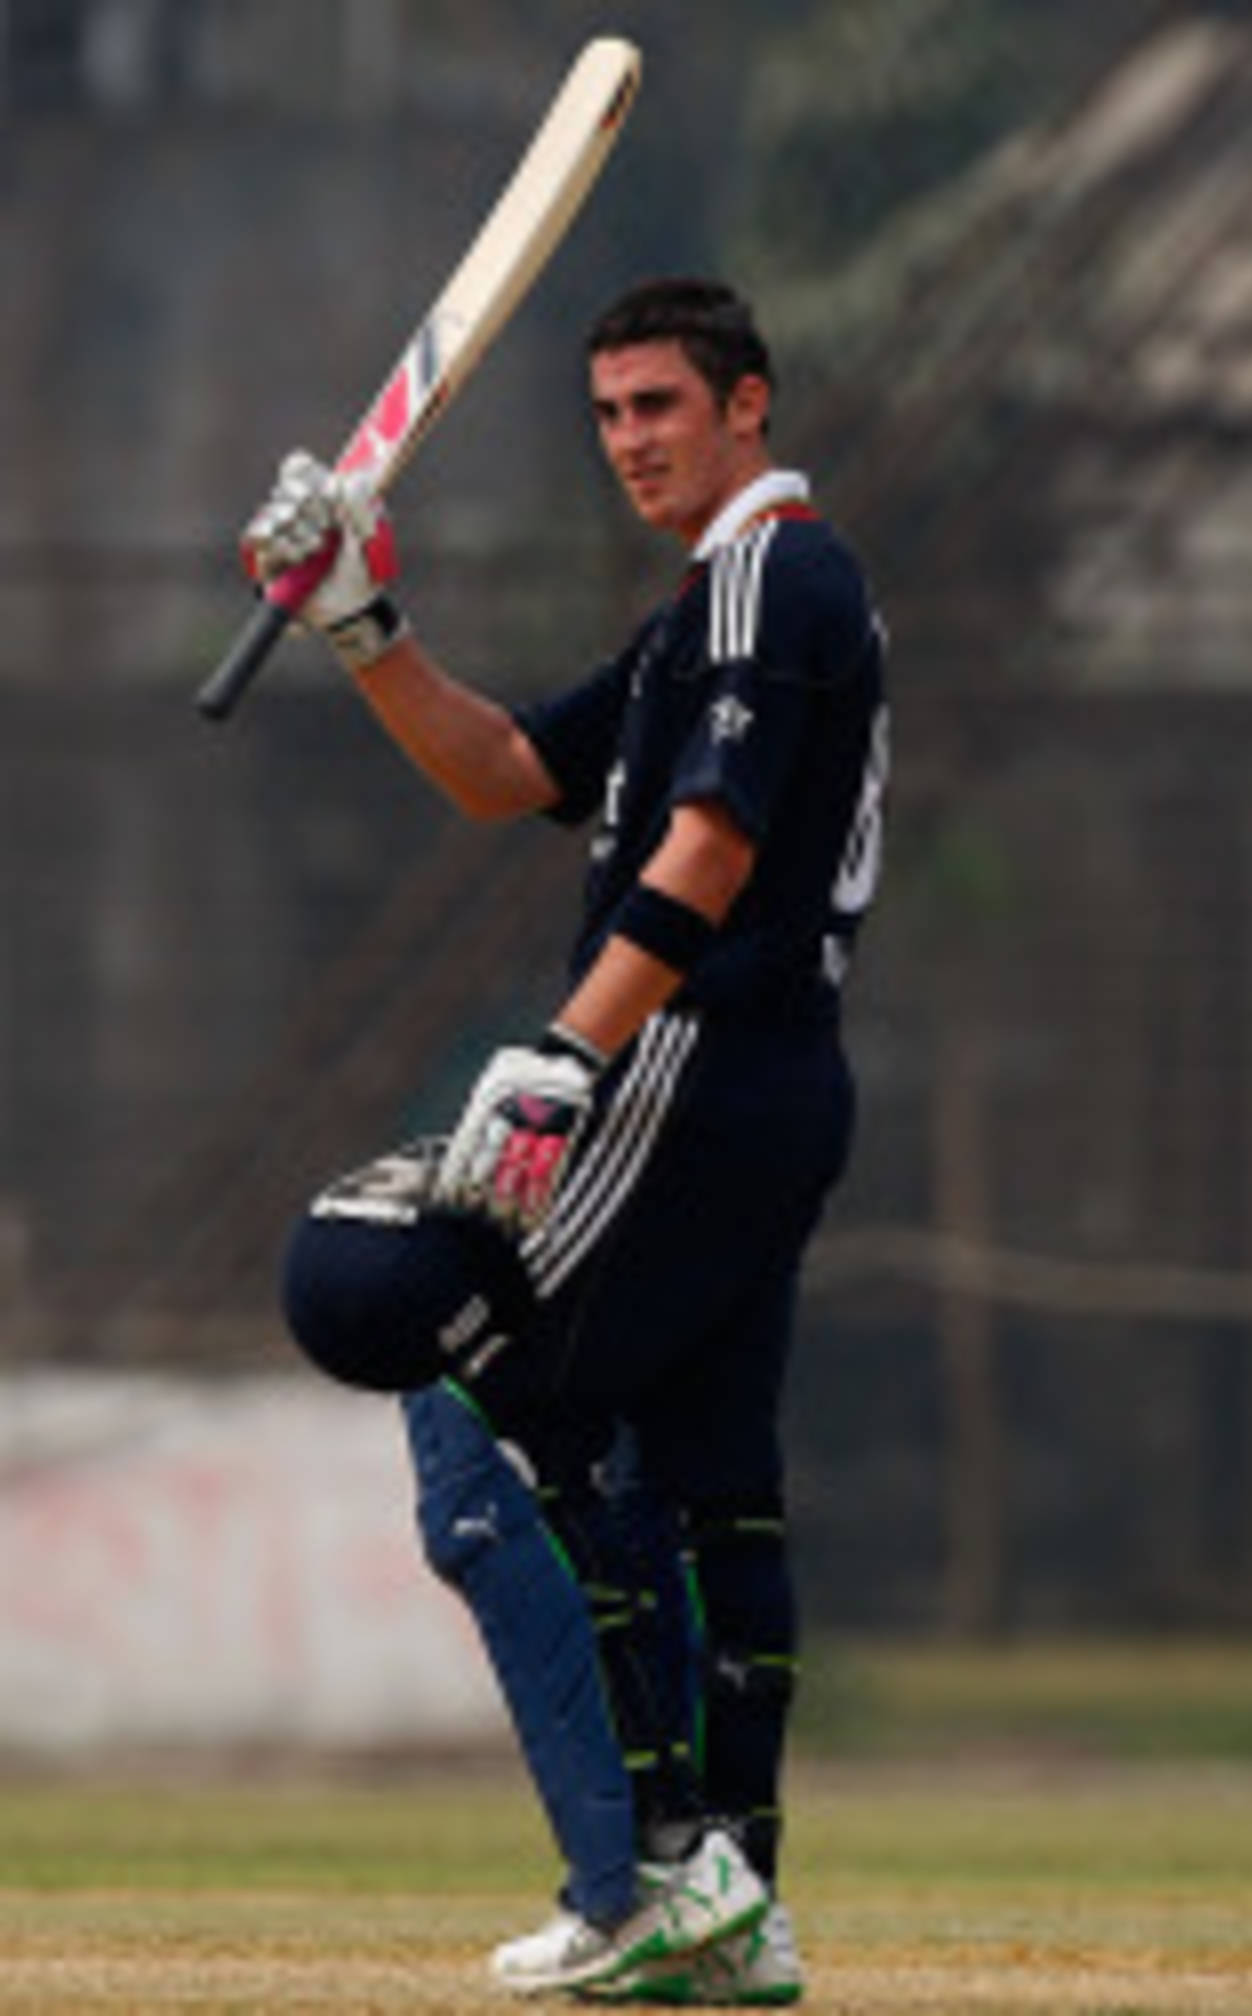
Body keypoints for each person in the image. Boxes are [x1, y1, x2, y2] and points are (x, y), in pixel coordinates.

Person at [244, 277, 889, 2003]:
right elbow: (508, 765)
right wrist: (363, 626)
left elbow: (710, 850)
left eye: (661, 407)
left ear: (748, 405)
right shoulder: (708, 606)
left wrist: (560, 1053)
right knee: (709, 1484)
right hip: (767, 1083)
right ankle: (735, 1903)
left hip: (693, 1060)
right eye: (608, 415)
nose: (631, 442)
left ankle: (660, 1865)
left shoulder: (774, 573)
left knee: (454, 1371)